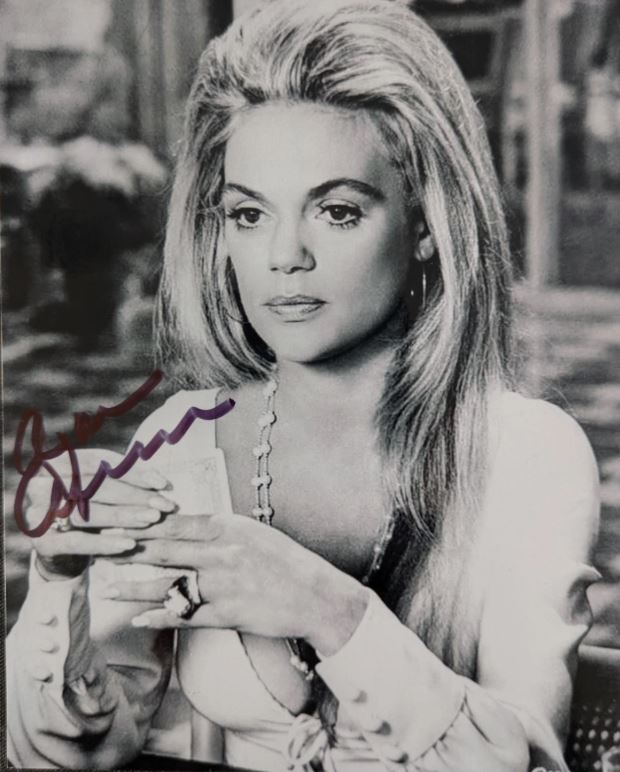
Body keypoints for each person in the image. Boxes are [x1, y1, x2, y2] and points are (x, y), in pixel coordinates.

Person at [7, 1, 601, 770]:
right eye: (249, 214)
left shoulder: (526, 454)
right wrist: (59, 586)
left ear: (426, 224)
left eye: (337, 211)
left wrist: (326, 608)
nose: (285, 256)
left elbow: (528, 762)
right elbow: (79, 750)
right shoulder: (186, 439)